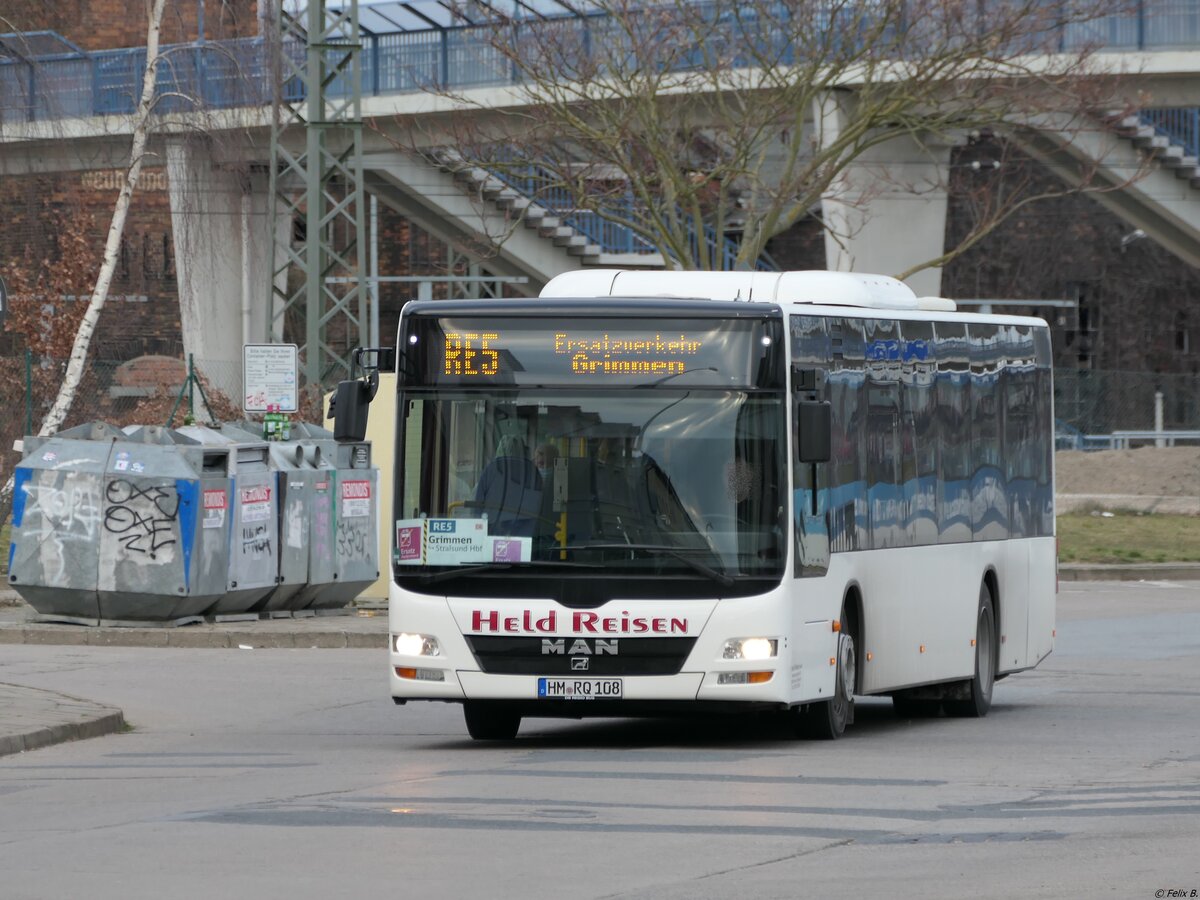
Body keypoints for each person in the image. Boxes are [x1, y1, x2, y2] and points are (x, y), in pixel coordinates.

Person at [474, 434, 542, 536]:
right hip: (527, 533)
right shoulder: (532, 472)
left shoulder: (491, 469)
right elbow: (539, 503)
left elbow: (477, 505)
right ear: (523, 451)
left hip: (492, 531)